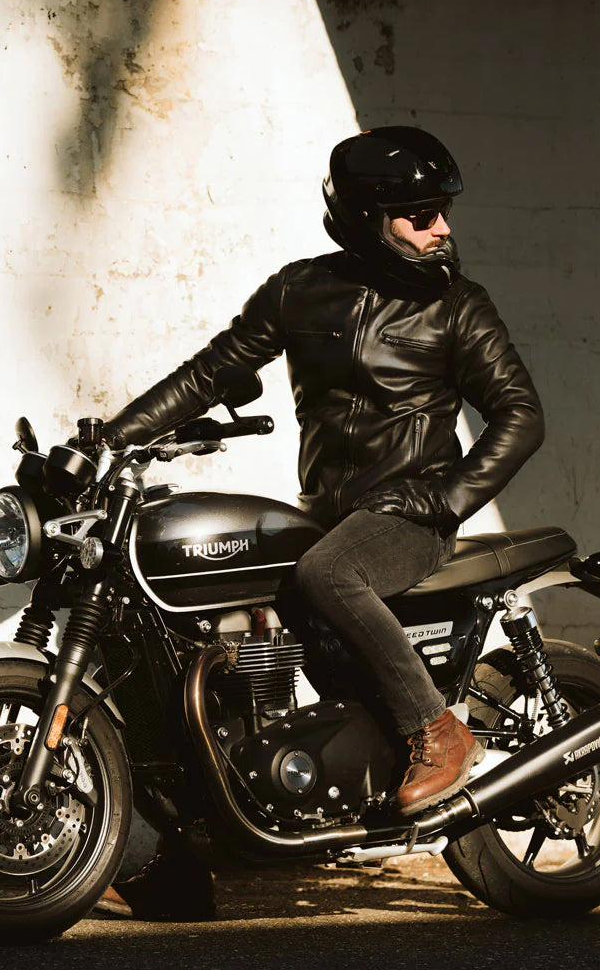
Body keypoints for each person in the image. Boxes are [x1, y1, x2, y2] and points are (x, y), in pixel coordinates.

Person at [102, 126, 544, 914]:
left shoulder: (457, 308)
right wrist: (107, 440)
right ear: (367, 219)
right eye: (420, 215)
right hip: (327, 516)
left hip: (408, 515)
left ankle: (437, 729)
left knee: (329, 573)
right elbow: (211, 373)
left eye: (440, 211)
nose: (441, 227)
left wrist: (444, 499)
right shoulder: (299, 291)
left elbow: (520, 414)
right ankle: (184, 846)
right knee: (181, 627)